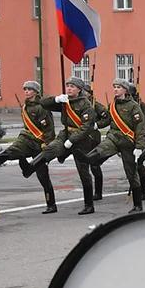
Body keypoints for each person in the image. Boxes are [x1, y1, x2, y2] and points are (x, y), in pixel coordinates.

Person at [20, 76, 100, 215]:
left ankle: (89, 205)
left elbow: (86, 127)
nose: (69, 88)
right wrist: (56, 99)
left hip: (81, 139)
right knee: (52, 148)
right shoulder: (65, 101)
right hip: (66, 133)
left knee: (83, 172)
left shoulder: (85, 104)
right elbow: (43, 103)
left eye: (72, 86)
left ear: (79, 90)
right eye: (67, 85)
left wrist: (72, 140)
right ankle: (31, 166)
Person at [73, 79, 145, 213]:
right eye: (114, 87)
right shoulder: (112, 104)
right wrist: (97, 125)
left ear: (125, 90)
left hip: (128, 141)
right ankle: (88, 158)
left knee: (131, 173)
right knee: (102, 148)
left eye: (118, 87)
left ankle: (138, 205)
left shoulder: (134, 106)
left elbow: (140, 128)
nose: (116, 89)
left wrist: (139, 147)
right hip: (113, 137)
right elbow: (107, 119)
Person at [0, 80, 57, 214]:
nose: (26, 91)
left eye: (29, 89)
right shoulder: (26, 106)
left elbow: (49, 128)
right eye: (25, 89)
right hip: (27, 138)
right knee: (14, 149)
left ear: (36, 92)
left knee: (43, 176)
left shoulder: (41, 107)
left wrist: (47, 145)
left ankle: (51, 204)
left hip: (39, 143)